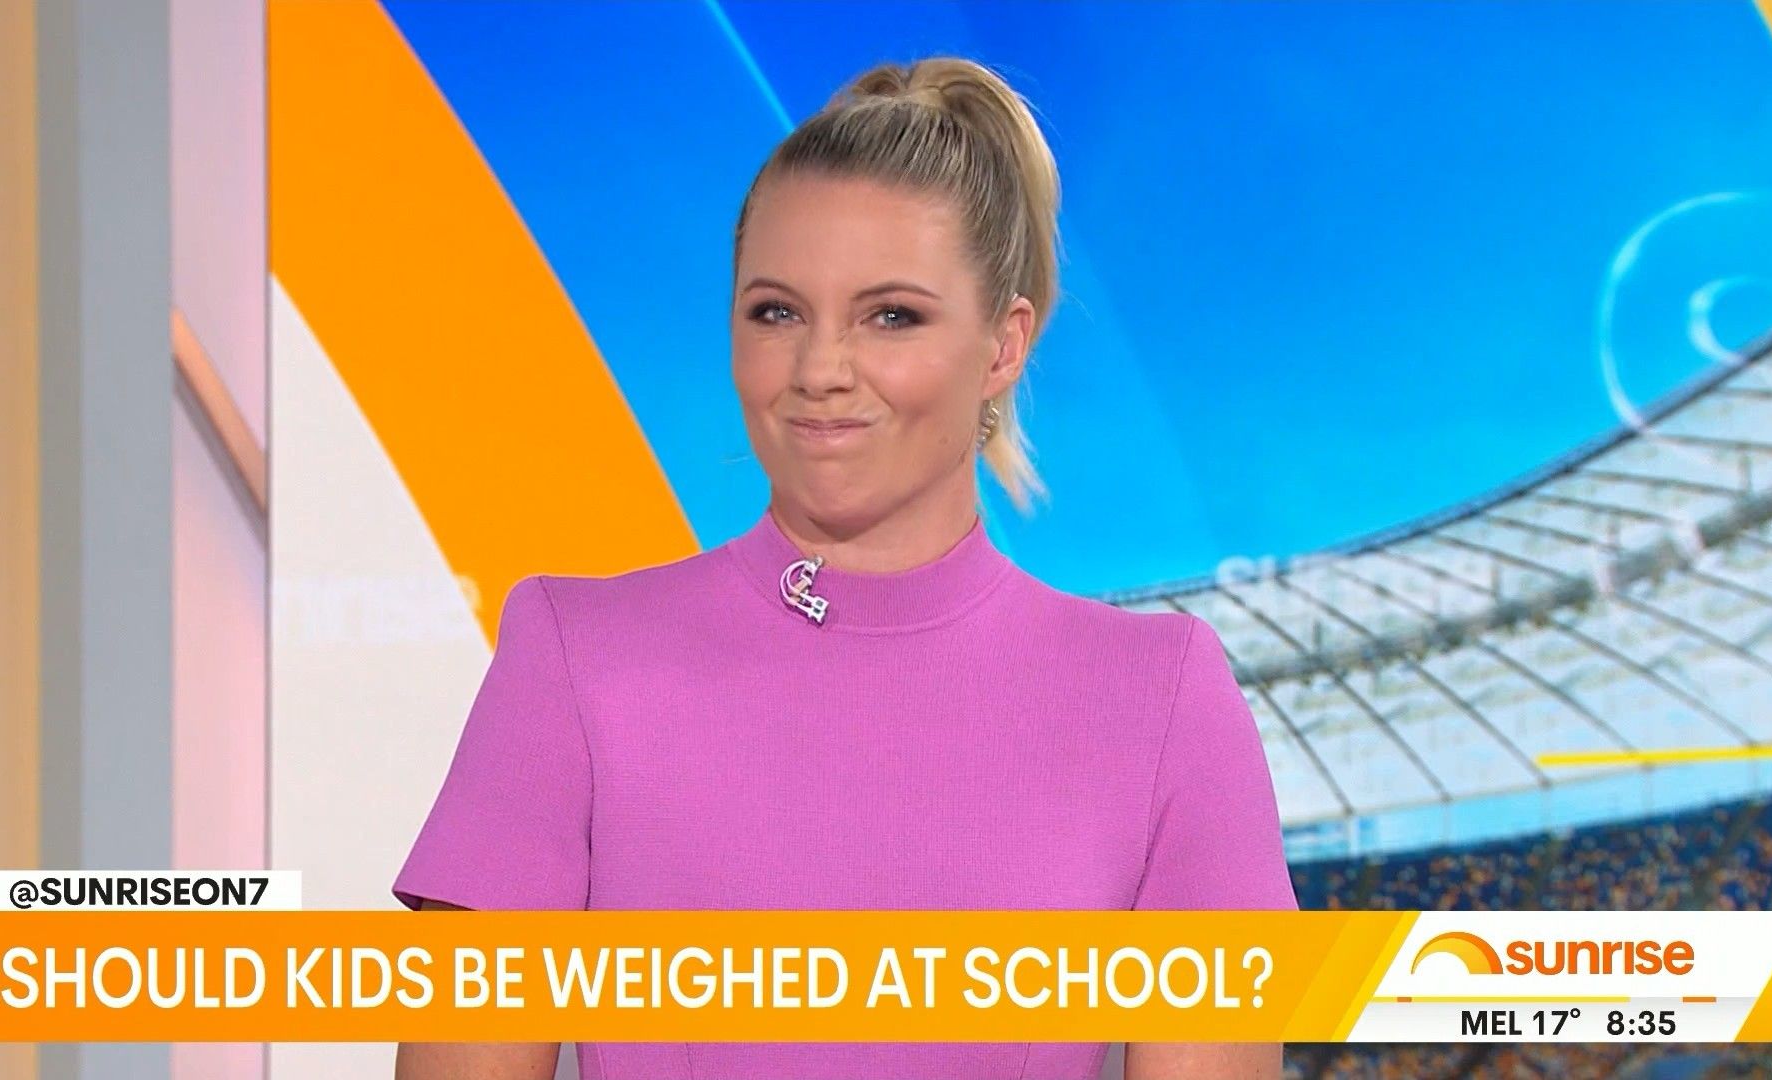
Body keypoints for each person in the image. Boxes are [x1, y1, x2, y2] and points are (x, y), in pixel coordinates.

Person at [393, 55, 1294, 1080]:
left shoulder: (1161, 698)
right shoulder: (573, 660)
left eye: (891, 315)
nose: (821, 370)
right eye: (777, 311)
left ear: (1003, 347)